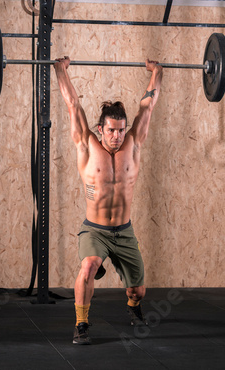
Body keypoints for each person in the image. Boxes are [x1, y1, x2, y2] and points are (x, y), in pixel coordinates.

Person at [54, 56, 163, 345]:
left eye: (121, 129)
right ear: (100, 129)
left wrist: (158, 72)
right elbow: (73, 105)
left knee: (137, 291)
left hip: (124, 232)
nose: (116, 136)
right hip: (95, 230)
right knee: (88, 267)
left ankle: (133, 305)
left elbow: (148, 104)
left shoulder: (134, 144)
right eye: (111, 130)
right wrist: (60, 70)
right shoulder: (86, 145)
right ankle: (81, 324)